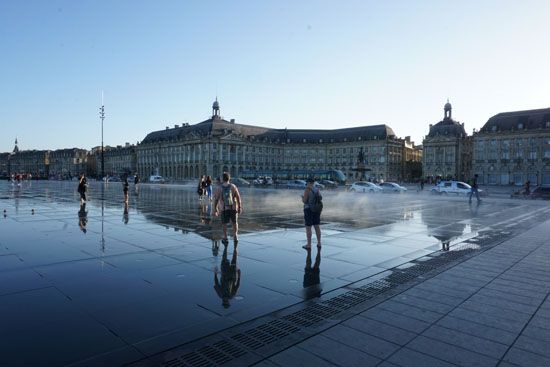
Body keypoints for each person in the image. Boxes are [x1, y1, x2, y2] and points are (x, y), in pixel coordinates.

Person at [213, 172, 243, 245]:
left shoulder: (219, 188)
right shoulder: (233, 186)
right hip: (233, 207)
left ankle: (225, 237)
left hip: (224, 208)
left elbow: (216, 200)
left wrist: (215, 209)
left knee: (224, 223)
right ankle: (235, 236)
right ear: (229, 178)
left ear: (222, 179)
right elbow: (238, 197)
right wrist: (239, 206)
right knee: (234, 222)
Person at [214, 243, 241, 308]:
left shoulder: (224, 295)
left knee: (229, 259)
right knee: (228, 259)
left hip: (228, 274)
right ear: (228, 302)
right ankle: (229, 247)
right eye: (226, 302)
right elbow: (216, 283)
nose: (225, 301)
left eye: (224, 302)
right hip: (228, 274)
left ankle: (230, 247)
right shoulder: (225, 295)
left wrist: (239, 275)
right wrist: (215, 274)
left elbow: (216, 284)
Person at [302, 177, 321, 249]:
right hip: (316, 210)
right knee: (317, 226)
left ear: (308, 182)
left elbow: (305, 201)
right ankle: (319, 243)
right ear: (313, 183)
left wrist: (302, 198)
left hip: (309, 210)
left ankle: (309, 244)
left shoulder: (307, 189)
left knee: (308, 227)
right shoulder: (317, 189)